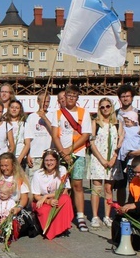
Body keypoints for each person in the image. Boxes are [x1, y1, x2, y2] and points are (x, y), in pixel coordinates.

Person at [51, 84, 91, 232]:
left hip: (78, 153)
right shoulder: (58, 113)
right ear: (65, 97)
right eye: (69, 96)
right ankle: (62, 213)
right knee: (61, 186)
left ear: (77, 98)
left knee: (77, 185)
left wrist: (70, 151)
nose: (71, 98)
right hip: (62, 154)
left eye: (74, 96)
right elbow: (55, 135)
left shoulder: (83, 113)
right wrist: (63, 152)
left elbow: (85, 135)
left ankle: (80, 216)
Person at [88, 97, 124, 228]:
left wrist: (113, 158)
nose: (105, 109)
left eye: (107, 106)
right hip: (98, 158)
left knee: (108, 188)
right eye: (102, 107)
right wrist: (102, 159)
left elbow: (119, 142)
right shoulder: (95, 123)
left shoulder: (118, 123)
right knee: (96, 188)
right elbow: (92, 143)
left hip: (112, 158)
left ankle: (107, 216)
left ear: (111, 107)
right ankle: (95, 216)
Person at [31, 149, 73, 240]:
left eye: (52, 160)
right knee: (44, 210)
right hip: (42, 200)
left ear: (56, 161)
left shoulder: (62, 170)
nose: (49, 163)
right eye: (47, 160)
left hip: (57, 197)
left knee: (66, 199)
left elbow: (64, 190)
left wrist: (48, 196)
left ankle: (62, 227)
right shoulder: (38, 174)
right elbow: (36, 195)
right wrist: (48, 201)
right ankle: (50, 230)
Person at [24, 93, 53, 178]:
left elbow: (55, 133)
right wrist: (28, 154)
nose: (46, 104)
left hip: (48, 155)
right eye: (43, 101)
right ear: (38, 101)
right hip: (34, 155)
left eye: (47, 102)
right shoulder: (31, 117)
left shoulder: (52, 115)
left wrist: (45, 118)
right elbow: (27, 137)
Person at [6, 100, 29, 166]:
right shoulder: (4, 123)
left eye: (17, 108)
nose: (14, 109)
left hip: (19, 156)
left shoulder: (24, 124)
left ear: (20, 110)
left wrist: (20, 158)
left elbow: (27, 144)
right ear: (9, 109)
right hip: (7, 156)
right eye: (12, 107)